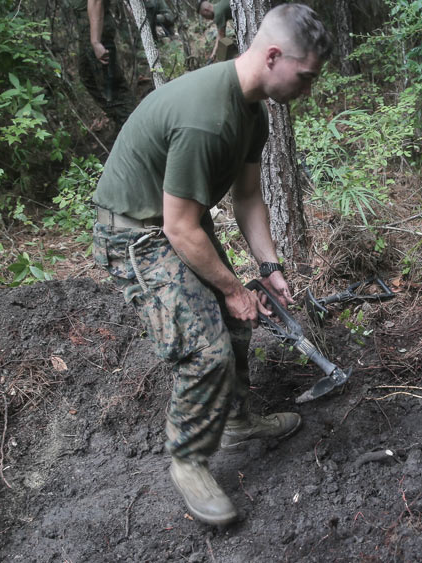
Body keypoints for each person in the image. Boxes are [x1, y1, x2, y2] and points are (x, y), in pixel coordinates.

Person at [91, 4, 332, 525]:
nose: (308, 89)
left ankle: (235, 421)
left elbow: (247, 198)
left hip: (174, 224)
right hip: (133, 232)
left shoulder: (253, 112)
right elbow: (179, 229)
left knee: (240, 321)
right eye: (306, 76)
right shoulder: (208, 116)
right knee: (205, 349)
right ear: (273, 56)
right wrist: (231, 288)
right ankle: (189, 458)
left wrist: (267, 267)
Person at [76, 0, 137, 133]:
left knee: (113, 90)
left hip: (96, 30)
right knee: (88, 77)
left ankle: (135, 130)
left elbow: (96, 2)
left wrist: (95, 41)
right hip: (89, 29)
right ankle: (123, 124)